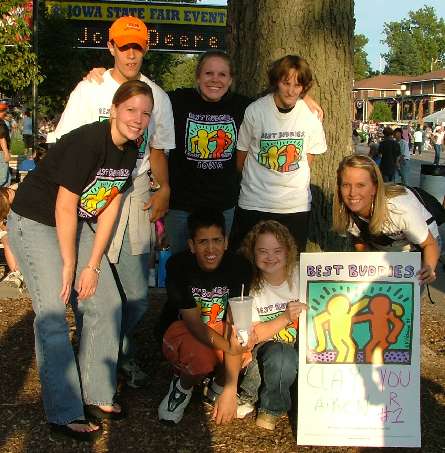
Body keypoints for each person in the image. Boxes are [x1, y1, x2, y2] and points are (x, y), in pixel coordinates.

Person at [7, 80, 154, 442]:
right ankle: (64, 410)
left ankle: (97, 391)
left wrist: (92, 264)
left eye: (145, 113)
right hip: (37, 220)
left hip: (81, 219)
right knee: (54, 311)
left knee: (106, 302)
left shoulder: (132, 149)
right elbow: (64, 204)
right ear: (116, 109)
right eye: (132, 110)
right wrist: (71, 265)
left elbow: (110, 203)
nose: (138, 119)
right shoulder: (90, 141)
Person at [54, 15, 175, 388]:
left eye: (137, 47)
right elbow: (63, 144)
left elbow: (157, 150)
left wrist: (165, 189)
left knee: (137, 296)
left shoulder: (159, 96)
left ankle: (117, 351)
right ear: (111, 48)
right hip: (89, 192)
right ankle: (94, 353)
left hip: (134, 190)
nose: (131, 54)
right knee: (91, 284)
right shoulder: (89, 90)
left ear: (146, 49)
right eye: (124, 47)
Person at [165, 50, 323, 254]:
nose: (215, 80)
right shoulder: (177, 101)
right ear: (198, 76)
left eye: (222, 74)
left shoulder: (244, 107)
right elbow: (146, 94)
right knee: (181, 265)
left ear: (231, 80)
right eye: (208, 73)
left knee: (223, 266)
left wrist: (304, 97)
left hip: (225, 205)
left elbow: (280, 97)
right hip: (182, 205)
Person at [157, 209, 252, 425]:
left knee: (243, 341)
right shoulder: (178, 266)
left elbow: (234, 321)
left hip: (221, 325)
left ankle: (218, 387)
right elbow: (193, 323)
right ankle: (183, 386)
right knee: (201, 355)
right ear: (191, 245)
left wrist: (230, 386)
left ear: (226, 242)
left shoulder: (239, 267)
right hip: (185, 329)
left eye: (217, 240)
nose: (211, 249)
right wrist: (228, 348)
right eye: (203, 242)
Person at [235, 55, 327, 252]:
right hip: (254, 203)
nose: (291, 90)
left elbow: (307, 161)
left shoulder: (311, 116)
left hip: (294, 207)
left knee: (290, 267)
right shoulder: (255, 111)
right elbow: (241, 158)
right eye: (286, 83)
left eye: (297, 85)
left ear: (304, 87)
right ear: (277, 81)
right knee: (251, 265)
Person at [236, 220, 305, 430]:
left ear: (288, 251)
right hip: (268, 352)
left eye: (277, 250)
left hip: (304, 346)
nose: (271, 257)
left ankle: (258, 393)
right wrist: (285, 317)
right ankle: (271, 409)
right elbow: (254, 336)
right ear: (252, 253)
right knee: (281, 355)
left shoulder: (302, 273)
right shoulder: (250, 287)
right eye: (263, 251)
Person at [333, 154, 440, 285]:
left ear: (374, 187)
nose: (352, 193)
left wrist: (428, 268)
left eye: (360, 185)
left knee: (407, 293)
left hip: (422, 244)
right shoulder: (342, 211)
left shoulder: (399, 208)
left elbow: (429, 244)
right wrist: (366, 263)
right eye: (346, 185)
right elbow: (358, 237)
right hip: (385, 245)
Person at [0, 186, 24, 288]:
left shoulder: (20, 199)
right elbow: (3, 225)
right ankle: (16, 272)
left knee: (13, 240)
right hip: (7, 232)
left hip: (17, 231)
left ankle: (19, 272)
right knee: (8, 241)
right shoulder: (4, 206)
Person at [0, 102, 11, 187]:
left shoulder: (2, 121)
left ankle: (5, 198)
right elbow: (1, 138)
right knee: (3, 178)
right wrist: (6, 153)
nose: (5, 113)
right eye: (4, 111)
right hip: (1, 152)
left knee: (7, 178)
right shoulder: (0, 123)